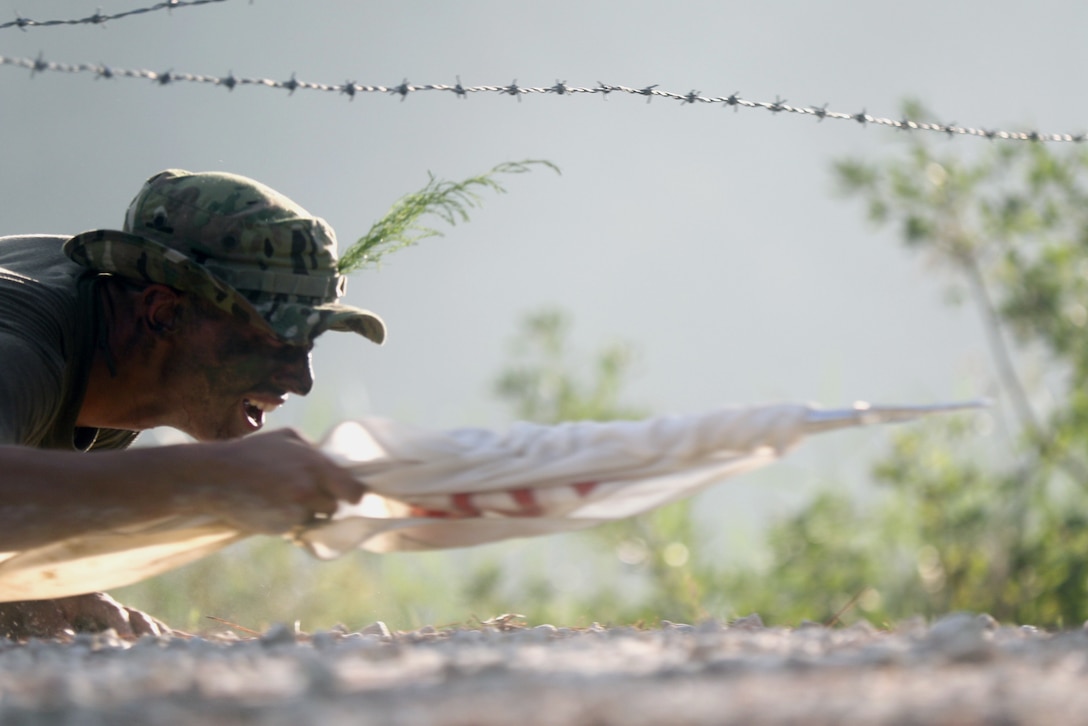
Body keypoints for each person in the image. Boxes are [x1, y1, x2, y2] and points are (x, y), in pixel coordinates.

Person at [0, 169, 382, 639]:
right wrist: (211, 475)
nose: (301, 382)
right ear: (164, 312)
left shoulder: (127, 357)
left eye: (309, 345)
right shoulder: (20, 345)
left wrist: (47, 593)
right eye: (275, 339)